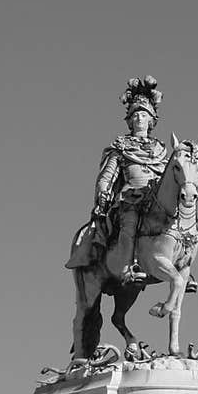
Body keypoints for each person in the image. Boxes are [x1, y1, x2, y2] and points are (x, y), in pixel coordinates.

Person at [66, 75, 173, 286]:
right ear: (130, 120)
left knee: (178, 221)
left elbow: (169, 177)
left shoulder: (161, 150)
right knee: (129, 223)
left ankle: (180, 263)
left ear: (151, 120)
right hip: (131, 198)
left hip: (155, 199)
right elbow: (107, 176)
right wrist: (103, 195)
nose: (139, 119)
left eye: (143, 115)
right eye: (135, 115)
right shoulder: (120, 147)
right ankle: (127, 268)